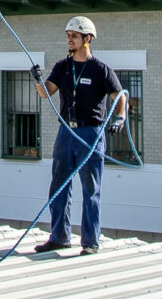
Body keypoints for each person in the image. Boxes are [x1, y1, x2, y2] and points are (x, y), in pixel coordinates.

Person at [34, 16, 124, 253]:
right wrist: (36, 79)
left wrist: (120, 118)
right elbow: (46, 93)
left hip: (91, 132)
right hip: (66, 130)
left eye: (73, 36)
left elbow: (120, 97)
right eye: (68, 36)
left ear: (87, 38)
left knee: (90, 187)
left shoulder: (100, 69)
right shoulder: (62, 67)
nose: (69, 40)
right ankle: (59, 236)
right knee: (59, 184)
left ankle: (90, 241)